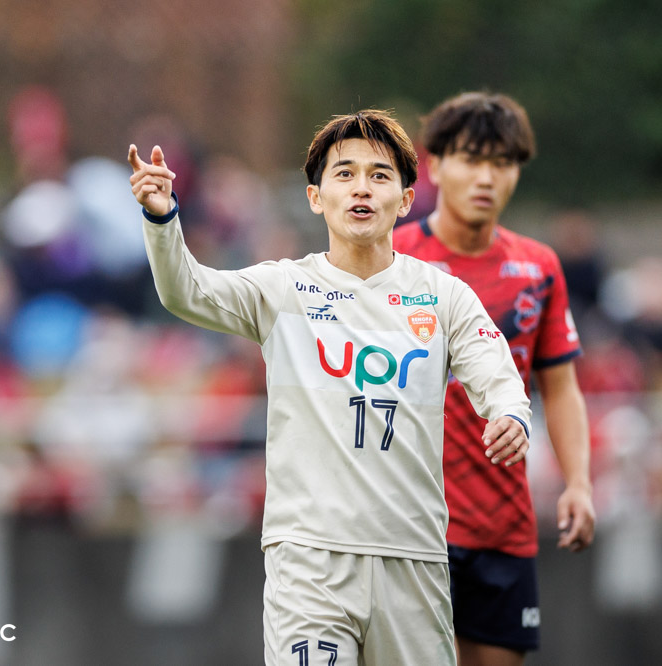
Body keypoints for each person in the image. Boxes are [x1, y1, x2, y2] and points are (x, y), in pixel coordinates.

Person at [128, 109, 532, 665]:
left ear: (406, 200)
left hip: (412, 559)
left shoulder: (444, 296)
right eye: (345, 174)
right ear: (316, 198)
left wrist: (509, 412)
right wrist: (162, 218)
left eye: (379, 175)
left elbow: (493, 366)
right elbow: (187, 292)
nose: (361, 187)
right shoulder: (284, 288)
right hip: (309, 561)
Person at [392, 91, 596, 666]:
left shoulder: (539, 267)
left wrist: (579, 483)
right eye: (471, 159)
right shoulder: (391, 258)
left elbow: (560, 387)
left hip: (503, 525)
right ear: (435, 166)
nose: (487, 177)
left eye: (502, 162)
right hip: (411, 526)